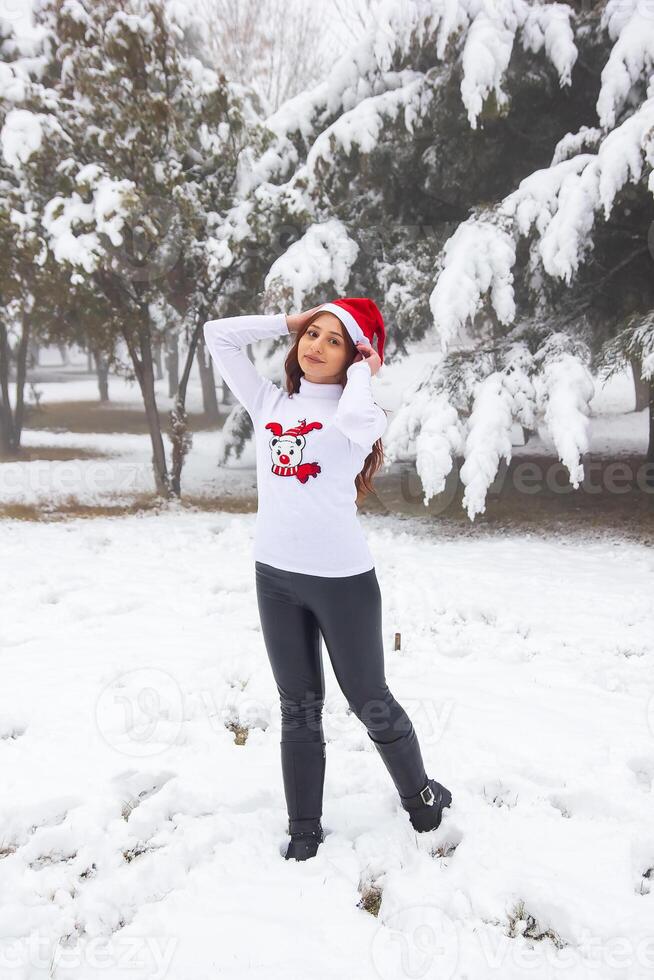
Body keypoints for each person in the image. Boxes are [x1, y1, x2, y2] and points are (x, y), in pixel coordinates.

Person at [203, 297, 452, 861]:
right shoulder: (270, 402)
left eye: (333, 340)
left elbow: (360, 418)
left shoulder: (355, 415)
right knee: (298, 706)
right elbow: (217, 334)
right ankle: (304, 829)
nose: (315, 346)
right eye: (311, 334)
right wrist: (287, 322)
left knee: (369, 700)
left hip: (342, 582)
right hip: (275, 578)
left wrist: (364, 368)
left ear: (353, 357)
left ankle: (421, 799)